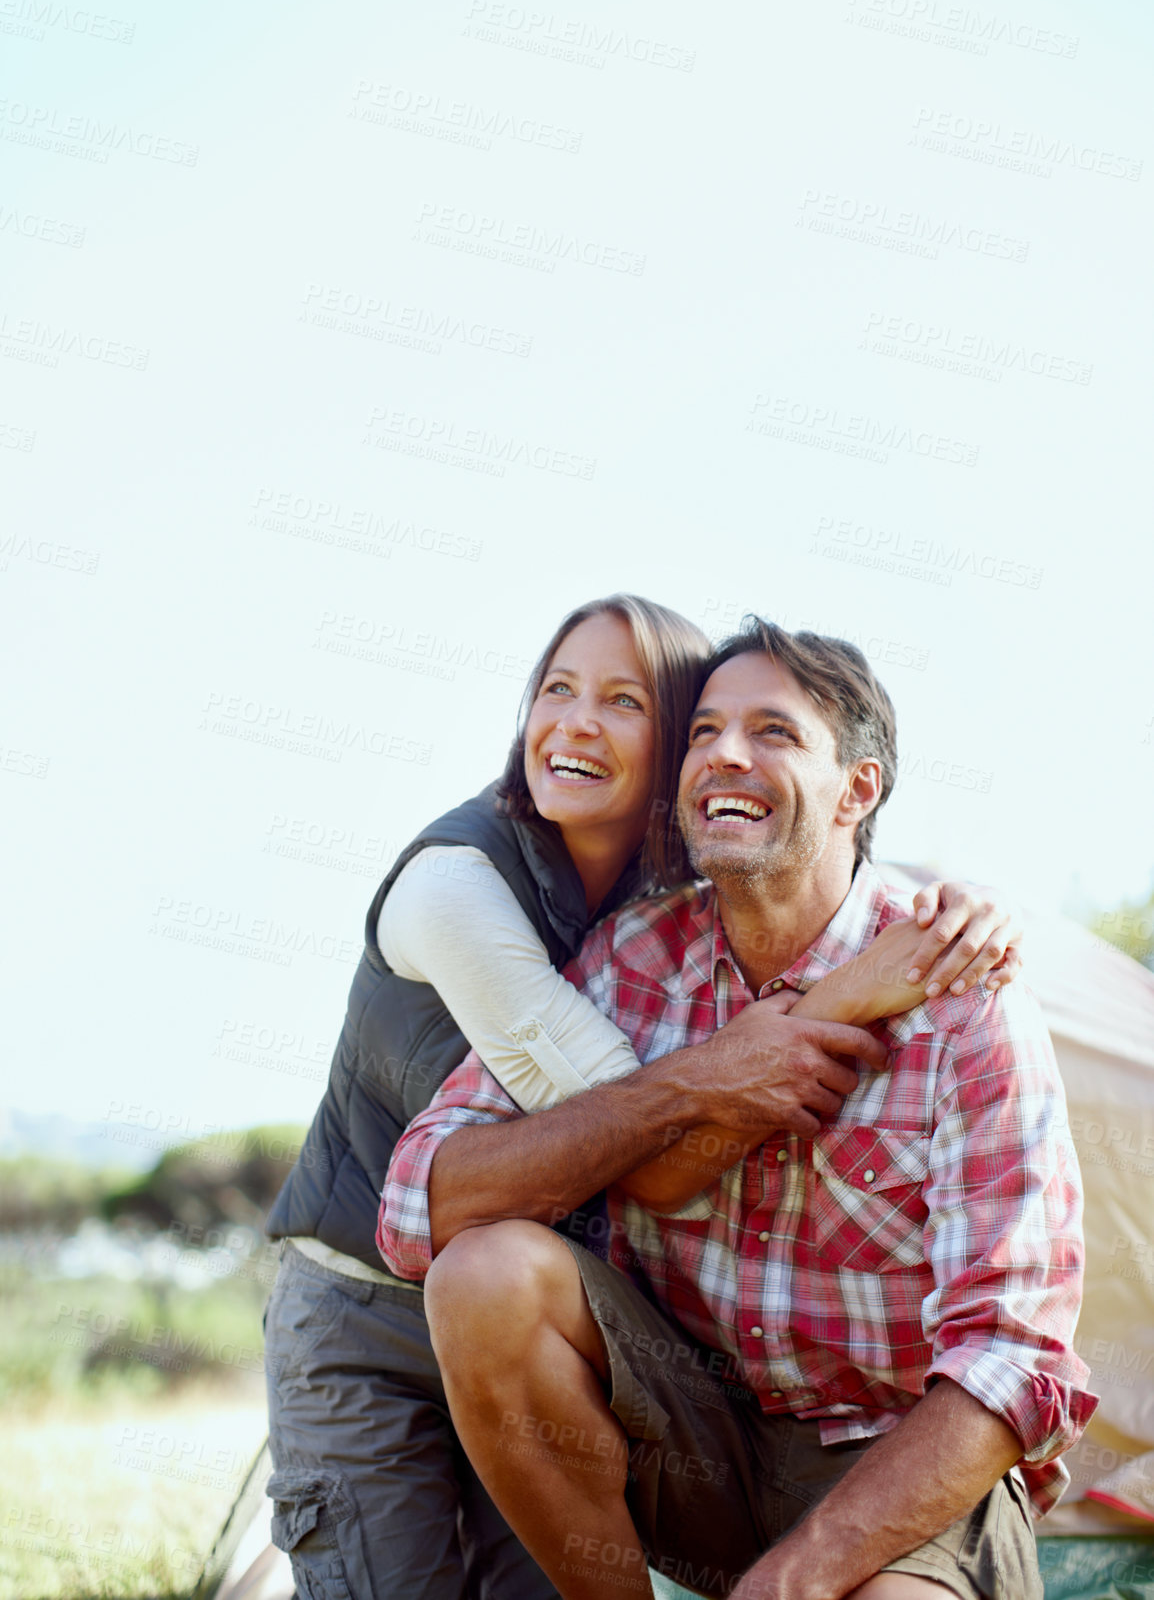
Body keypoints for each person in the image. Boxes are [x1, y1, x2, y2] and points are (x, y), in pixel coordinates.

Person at [264, 596, 1021, 1600]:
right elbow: (651, 1163)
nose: (573, 722)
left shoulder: (684, 889)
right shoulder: (467, 893)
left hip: (625, 1367)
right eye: (555, 688)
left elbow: (1009, 1353)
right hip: (376, 1306)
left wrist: (946, 919)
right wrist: (809, 1018)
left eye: (623, 701)